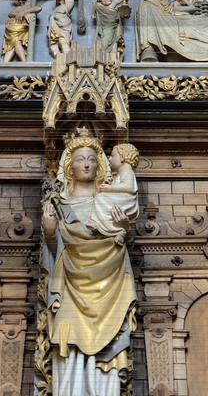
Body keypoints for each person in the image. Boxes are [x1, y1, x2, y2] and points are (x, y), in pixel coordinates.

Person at [43, 132, 139, 396]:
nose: (86, 164)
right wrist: (50, 231)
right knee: (69, 336)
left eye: (91, 160)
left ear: (100, 167)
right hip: (71, 283)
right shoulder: (59, 204)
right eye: (80, 160)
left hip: (110, 280)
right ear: (69, 167)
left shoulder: (110, 200)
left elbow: (119, 236)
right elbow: (52, 252)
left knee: (108, 340)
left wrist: (122, 229)